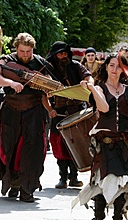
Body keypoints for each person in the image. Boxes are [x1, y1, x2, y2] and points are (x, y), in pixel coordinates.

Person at [72, 53, 128, 220]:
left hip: (126, 141)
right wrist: (91, 89)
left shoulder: (127, 89)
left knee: (124, 181)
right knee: (102, 180)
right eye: (112, 65)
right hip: (106, 141)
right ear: (106, 67)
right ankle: (98, 218)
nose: (115, 70)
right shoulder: (99, 88)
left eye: (119, 66)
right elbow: (104, 108)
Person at [0, 33, 55, 202]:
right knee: (9, 149)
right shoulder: (7, 60)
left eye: (28, 51)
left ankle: (28, 189)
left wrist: (49, 92)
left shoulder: (40, 63)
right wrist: (10, 83)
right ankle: (14, 181)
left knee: (33, 152)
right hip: (11, 111)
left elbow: (47, 92)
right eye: (22, 51)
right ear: (16, 48)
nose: (25, 54)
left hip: (34, 112)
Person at [46, 41, 94, 189]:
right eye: (60, 53)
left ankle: (74, 177)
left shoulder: (76, 66)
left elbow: (88, 77)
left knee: (76, 145)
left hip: (76, 112)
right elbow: (42, 92)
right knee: (59, 147)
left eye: (65, 53)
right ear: (55, 55)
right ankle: (63, 177)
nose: (63, 56)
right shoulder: (49, 70)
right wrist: (49, 109)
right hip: (58, 113)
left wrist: (88, 84)